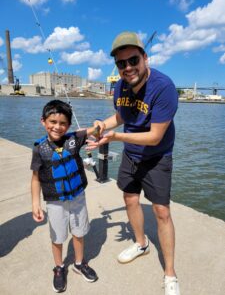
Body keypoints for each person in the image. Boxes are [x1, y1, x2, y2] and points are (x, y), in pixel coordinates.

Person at [88, 31, 180, 295]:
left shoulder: (164, 87)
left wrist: (114, 136)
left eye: (133, 60)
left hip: (157, 156)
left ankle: (170, 273)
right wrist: (101, 125)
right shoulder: (120, 86)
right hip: (131, 153)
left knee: (162, 212)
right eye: (121, 63)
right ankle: (141, 244)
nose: (128, 67)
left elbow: (154, 136)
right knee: (130, 199)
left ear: (145, 58)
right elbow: (120, 115)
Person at [31, 100, 98, 293]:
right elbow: (35, 179)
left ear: (68, 125)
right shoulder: (39, 149)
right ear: (43, 121)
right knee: (58, 236)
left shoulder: (74, 139)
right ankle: (59, 267)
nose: (57, 127)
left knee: (79, 232)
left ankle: (78, 263)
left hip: (77, 198)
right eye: (52, 121)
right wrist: (35, 203)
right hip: (55, 202)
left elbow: (94, 129)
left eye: (62, 123)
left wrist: (99, 124)